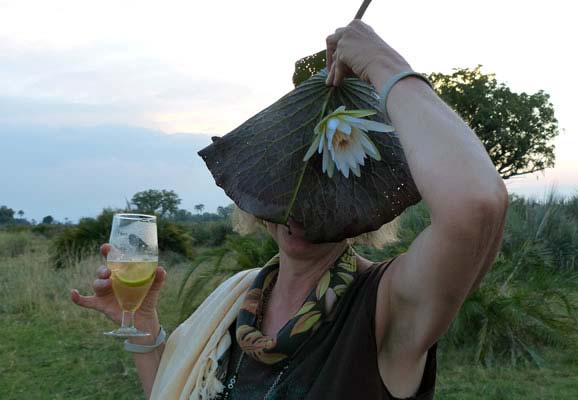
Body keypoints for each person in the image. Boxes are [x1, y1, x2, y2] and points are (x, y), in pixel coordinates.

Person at [70, 20, 508, 399]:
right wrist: (144, 325)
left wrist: (383, 65)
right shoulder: (240, 298)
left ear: (357, 206)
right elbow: (175, 390)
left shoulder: (386, 304)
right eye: (286, 187)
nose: (300, 209)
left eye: (325, 192)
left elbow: (477, 204)